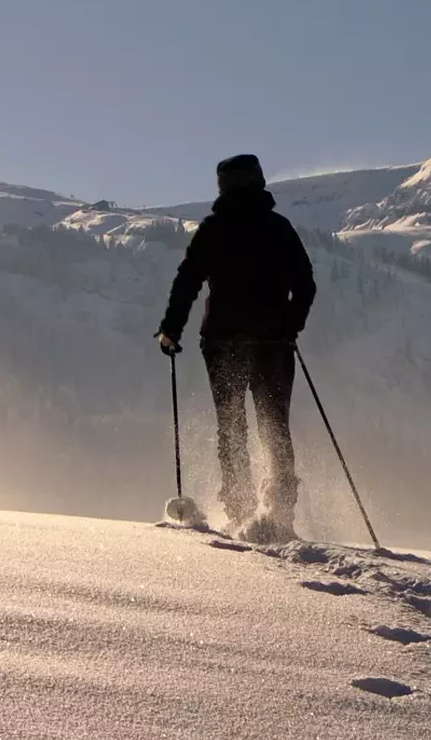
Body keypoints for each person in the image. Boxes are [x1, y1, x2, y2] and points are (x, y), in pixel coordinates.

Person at [156, 154, 316, 543]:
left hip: (222, 342)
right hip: (273, 343)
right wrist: (289, 325)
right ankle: (279, 516)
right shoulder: (279, 228)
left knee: (231, 426)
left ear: (222, 187)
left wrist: (170, 330)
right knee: (274, 426)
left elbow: (187, 281)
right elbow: (306, 285)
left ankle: (241, 510)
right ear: (259, 183)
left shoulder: (213, 229)